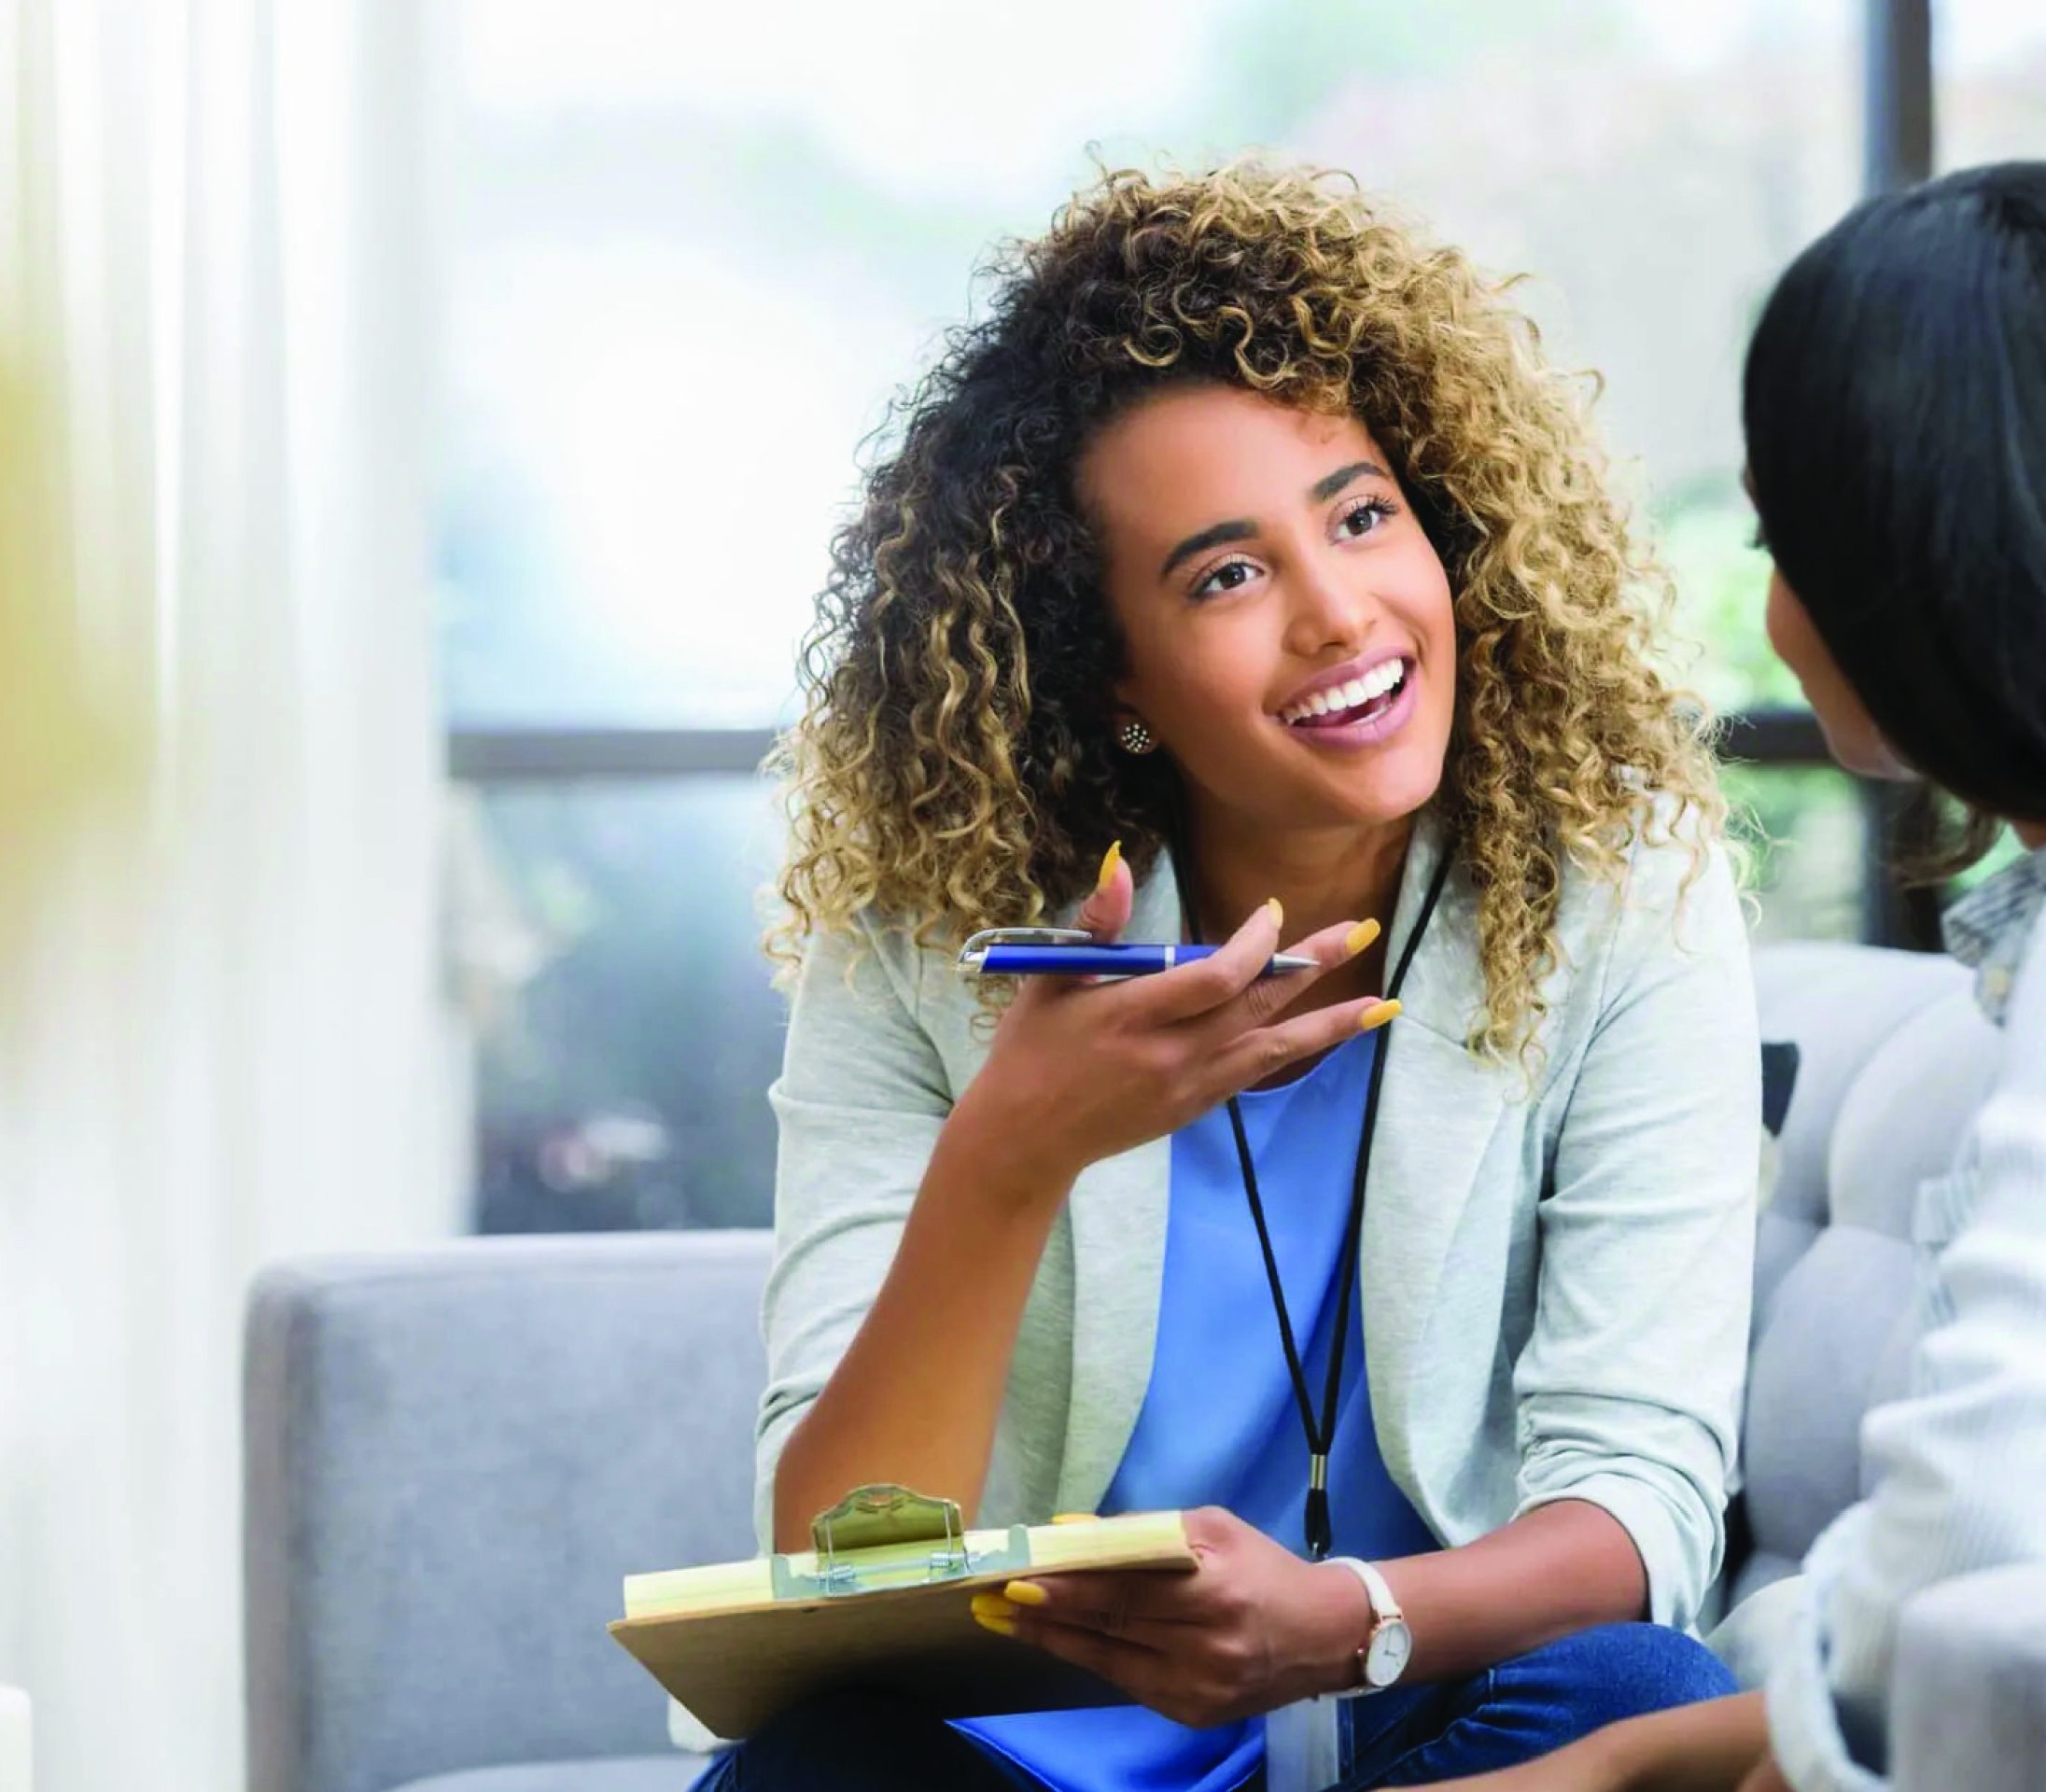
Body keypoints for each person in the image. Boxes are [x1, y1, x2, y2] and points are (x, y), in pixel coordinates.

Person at [695, 161, 1758, 1792]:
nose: (1342, 615)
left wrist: (1352, 1619)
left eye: (1360, 515)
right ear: (1109, 670)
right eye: (1226, 574)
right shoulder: (924, 942)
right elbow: (834, 1575)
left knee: (1636, 1688)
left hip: (1431, 1722)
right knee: (825, 1767)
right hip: (1029, 1757)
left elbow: (1642, 1498)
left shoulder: (1621, 895)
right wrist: (1014, 1152)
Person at [1430, 161, 2046, 1792]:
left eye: (1786, 541)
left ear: (1923, 552)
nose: (1771, 615)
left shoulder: (1631, 902)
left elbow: (1974, 1534)